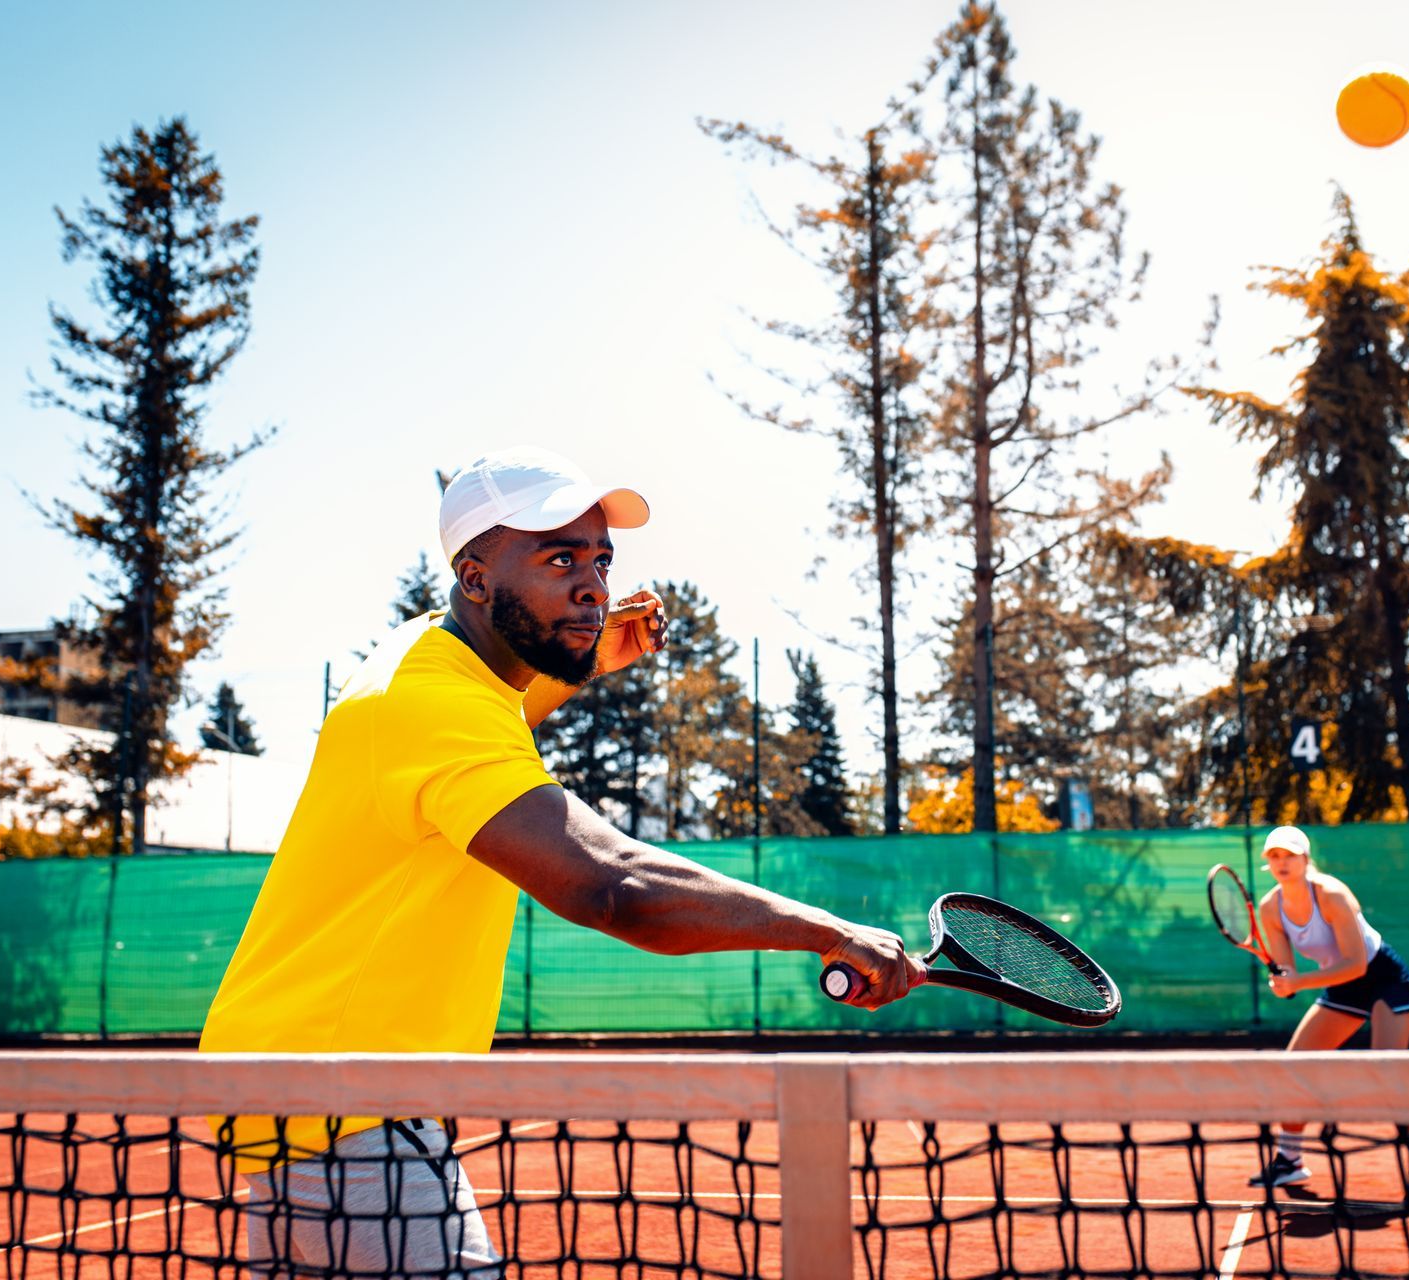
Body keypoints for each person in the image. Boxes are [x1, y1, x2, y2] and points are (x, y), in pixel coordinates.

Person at [199, 446, 920, 1275]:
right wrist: (825, 930)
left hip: (300, 1089)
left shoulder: (420, 660)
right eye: (559, 559)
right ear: (475, 578)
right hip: (349, 1103)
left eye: (601, 560)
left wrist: (575, 662)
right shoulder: (432, 702)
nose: (594, 585)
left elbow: (495, 698)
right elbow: (614, 888)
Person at [1246, 824, 1409, 1209]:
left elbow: (1354, 964)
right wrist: (1285, 983)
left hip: (1385, 980)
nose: (1282, 863)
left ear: (1305, 860)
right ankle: (1290, 1159)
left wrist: (1299, 983)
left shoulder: (1332, 895)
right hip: (1342, 988)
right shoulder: (1271, 908)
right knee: (1295, 1068)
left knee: (1389, 1074)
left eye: (1290, 855)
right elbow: (1287, 968)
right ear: (1268, 864)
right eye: (1275, 856)